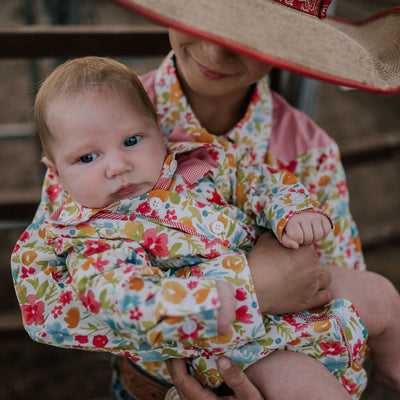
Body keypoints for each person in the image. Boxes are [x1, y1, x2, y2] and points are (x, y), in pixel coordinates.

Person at [11, 1, 400, 399]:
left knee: (382, 296)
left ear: (290, 42)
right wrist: (249, 287)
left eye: (249, 33)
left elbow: (330, 275)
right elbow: (47, 307)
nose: (216, 51)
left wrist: (291, 212)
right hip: (170, 376)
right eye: (209, 16)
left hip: (298, 352)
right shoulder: (90, 120)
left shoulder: (308, 152)